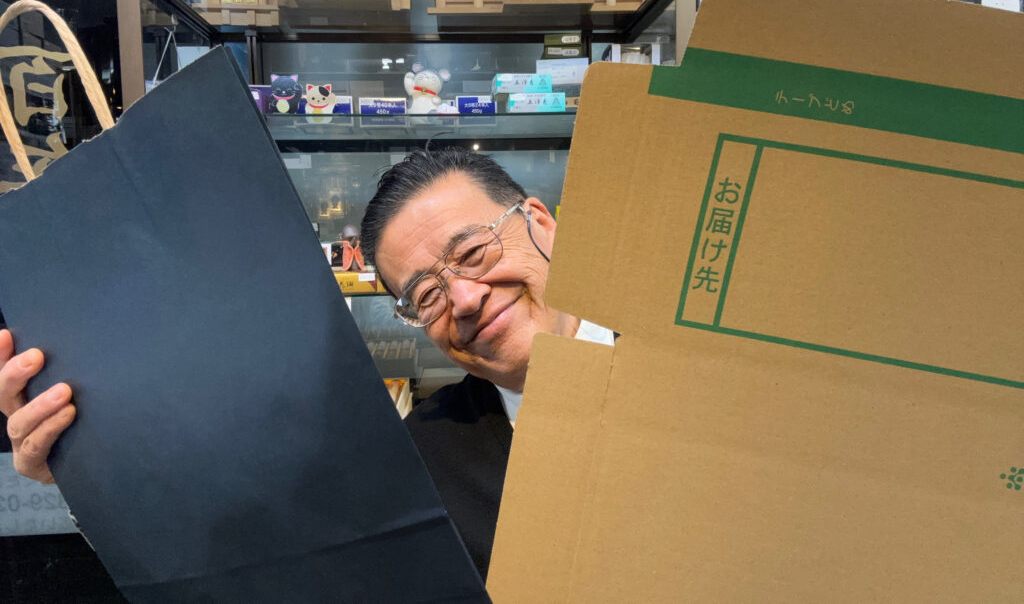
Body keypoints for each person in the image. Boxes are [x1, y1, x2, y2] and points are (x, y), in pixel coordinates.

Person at [0, 148, 613, 579]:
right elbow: (264, 562)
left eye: (475, 251)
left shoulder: (674, 356)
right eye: (426, 295)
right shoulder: (424, 456)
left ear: (541, 223)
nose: (466, 299)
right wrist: (92, 472)